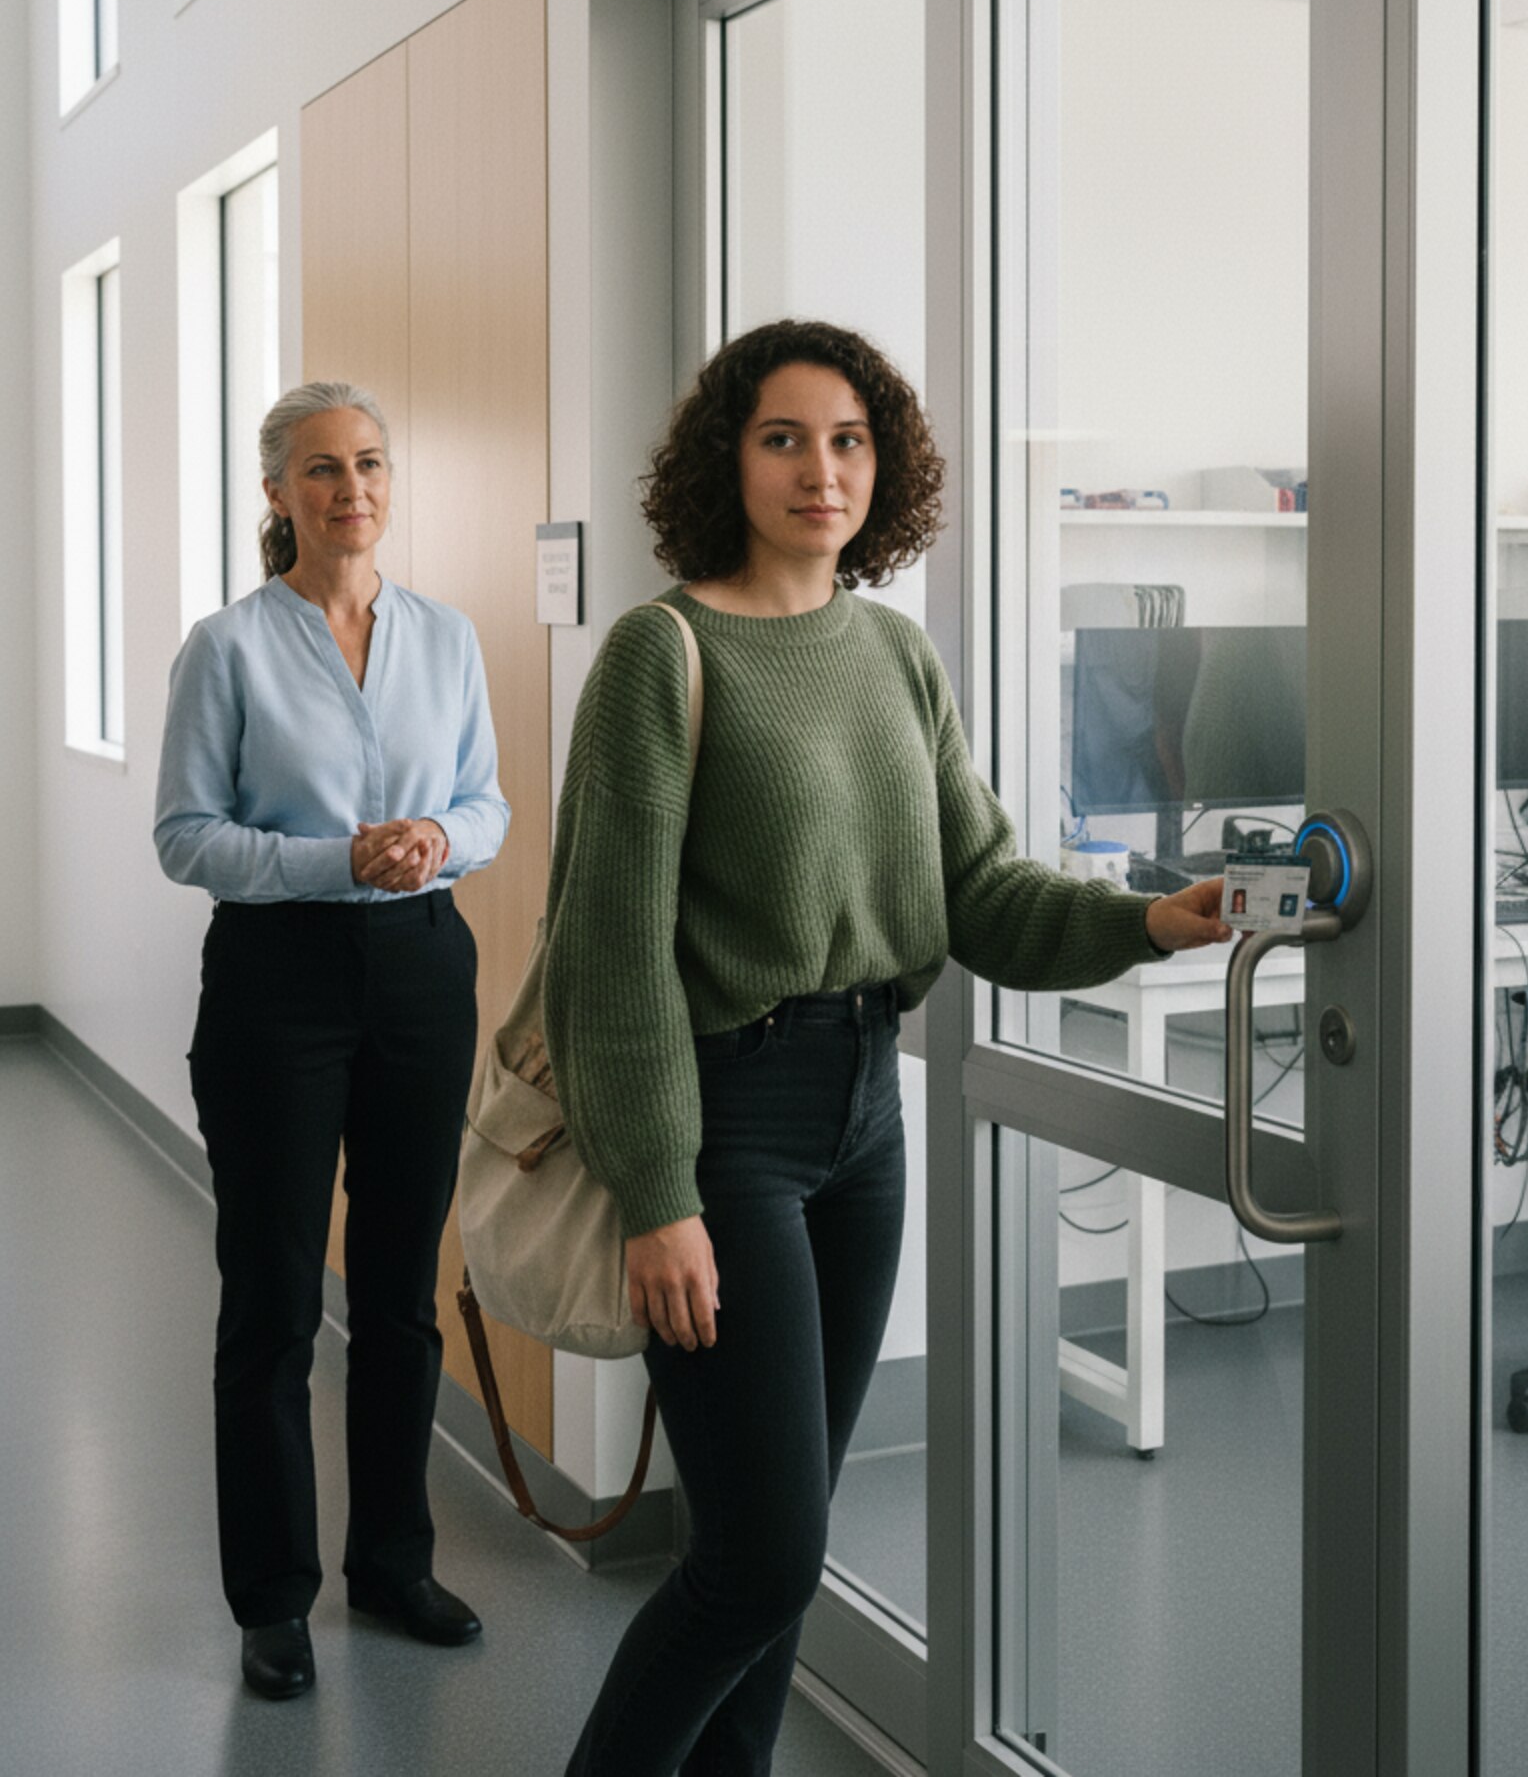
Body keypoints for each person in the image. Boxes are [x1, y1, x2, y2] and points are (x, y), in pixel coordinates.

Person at [546, 320, 1230, 1775]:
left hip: (866, 1114)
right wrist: (658, 1191)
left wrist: (1152, 921)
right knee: (762, 1559)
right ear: (726, 460)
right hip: (724, 1121)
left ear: (886, 465)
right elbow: (609, 968)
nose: (821, 470)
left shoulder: (897, 655)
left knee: (777, 1536)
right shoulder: (657, 657)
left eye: (849, 440)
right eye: (783, 437)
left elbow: (979, 889)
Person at [155, 381, 510, 1701]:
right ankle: (274, 1598)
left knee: (403, 1294)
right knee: (273, 1302)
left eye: (368, 464)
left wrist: (442, 839)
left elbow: (489, 799)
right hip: (277, 986)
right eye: (321, 469)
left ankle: (393, 1565)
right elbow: (186, 835)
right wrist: (329, 859)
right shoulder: (228, 649)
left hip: (423, 969)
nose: (350, 488)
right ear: (276, 493)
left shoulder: (446, 636)